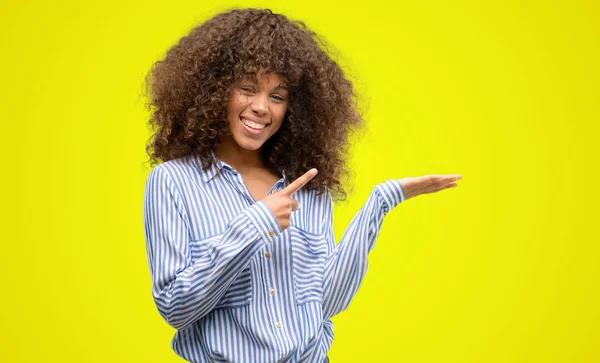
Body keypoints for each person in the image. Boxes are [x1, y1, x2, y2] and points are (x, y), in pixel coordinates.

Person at [143, 8, 462, 363]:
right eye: (247, 89)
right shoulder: (172, 182)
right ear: (215, 92)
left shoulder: (308, 187)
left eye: (278, 97)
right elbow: (175, 307)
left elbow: (326, 303)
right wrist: (256, 224)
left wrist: (381, 202)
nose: (261, 107)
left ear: (295, 108)